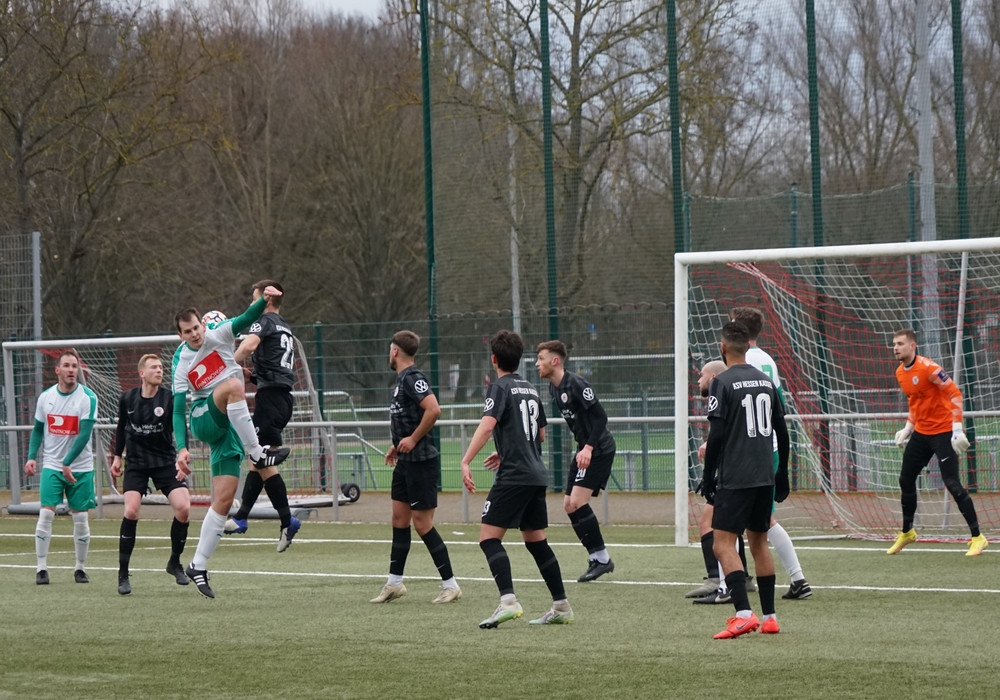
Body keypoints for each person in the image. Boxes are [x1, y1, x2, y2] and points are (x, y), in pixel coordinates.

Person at [172, 285, 291, 598]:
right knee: (233, 386)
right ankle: (258, 453)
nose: (194, 334)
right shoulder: (181, 361)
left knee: (224, 500)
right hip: (203, 417)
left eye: (196, 328)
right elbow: (177, 410)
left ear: (203, 325)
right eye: (187, 331)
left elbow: (246, 317)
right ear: (180, 335)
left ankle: (198, 565)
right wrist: (182, 448)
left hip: (226, 429)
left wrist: (264, 300)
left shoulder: (220, 333)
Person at [461, 330, 573, 628]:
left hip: (514, 476)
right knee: (536, 541)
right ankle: (561, 606)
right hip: (536, 474)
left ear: (494, 359)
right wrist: (508, 449)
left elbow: (487, 426)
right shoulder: (531, 389)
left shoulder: (498, 387)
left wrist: (466, 460)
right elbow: (540, 435)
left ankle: (508, 602)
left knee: (488, 539)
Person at [701, 321, 790, 639]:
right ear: (747, 347)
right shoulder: (766, 381)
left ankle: (742, 614)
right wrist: (782, 473)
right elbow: (782, 430)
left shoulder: (722, 382)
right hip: (764, 473)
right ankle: (770, 617)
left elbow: (717, 434)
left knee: (722, 543)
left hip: (736, 476)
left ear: (723, 348)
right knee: (759, 544)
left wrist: (708, 476)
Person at [370, 330, 461, 604]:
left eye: (390, 350)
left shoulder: (412, 378)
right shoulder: (400, 380)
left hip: (421, 463)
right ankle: (394, 583)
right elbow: (408, 417)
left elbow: (434, 409)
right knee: (399, 520)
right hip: (405, 462)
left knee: (422, 524)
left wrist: (412, 439)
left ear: (395, 351)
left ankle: (451, 585)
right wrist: (397, 444)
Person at [730, 306, 812, 600]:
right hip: (769, 446)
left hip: (751, 450)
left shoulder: (741, 360)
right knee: (755, 521)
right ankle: (791, 580)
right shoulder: (767, 359)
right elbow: (779, 406)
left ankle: (733, 583)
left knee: (745, 521)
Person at [888, 329, 987, 556]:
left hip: (943, 432)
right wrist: (908, 428)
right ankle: (907, 532)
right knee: (905, 479)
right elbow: (915, 402)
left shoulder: (929, 368)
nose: (895, 348)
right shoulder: (900, 373)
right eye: (894, 344)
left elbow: (955, 394)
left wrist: (957, 428)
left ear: (912, 346)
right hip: (921, 433)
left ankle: (978, 537)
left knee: (952, 483)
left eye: (900, 344)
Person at [224, 280, 301, 552]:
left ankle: (285, 520)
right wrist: (253, 376)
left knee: (261, 460)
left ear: (266, 301)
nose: (251, 305)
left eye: (255, 299)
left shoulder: (263, 322)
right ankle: (243, 517)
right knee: (258, 461)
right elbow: (276, 365)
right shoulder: (284, 326)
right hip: (281, 397)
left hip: (270, 400)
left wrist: (227, 364)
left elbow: (247, 348)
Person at [535, 340, 616, 582]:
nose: (537, 363)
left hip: (599, 449)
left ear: (555, 361)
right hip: (584, 449)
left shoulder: (576, 384)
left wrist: (589, 448)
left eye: (541, 358)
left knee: (578, 502)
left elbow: (601, 417)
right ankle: (596, 557)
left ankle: (603, 559)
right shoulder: (554, 389)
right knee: (569, 505)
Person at [110, 354, 191, 595]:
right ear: (142, 373)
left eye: (161, 367)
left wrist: (182, 455)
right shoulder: (127, 398)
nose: (159, 370)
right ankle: (123, 574)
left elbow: (180, 427)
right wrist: (117, 456)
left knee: (184, 508)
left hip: (164, 461)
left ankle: (174, 562)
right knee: (131, 510)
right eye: (154, 367)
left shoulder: (169, 398)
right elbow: (121, 428)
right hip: (136, 463)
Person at [23, 351, 99, 585]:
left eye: (74, 366)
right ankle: (41, 568)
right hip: (53, 466)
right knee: (46, 513)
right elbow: (38, 429)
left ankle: (80, 569)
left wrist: (68, 462)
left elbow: (84, 434)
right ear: (57, 370)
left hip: (80, 467)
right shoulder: (46, 398)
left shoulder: (88, 397)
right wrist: (31, 457)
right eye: (66, 365)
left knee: (81, 518)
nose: (71, 370)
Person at [687, 359, 753, 604]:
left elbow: (724, 432)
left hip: (736, 472)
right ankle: (742, 578)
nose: (698, 380)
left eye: (702, 375)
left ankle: (720, 582)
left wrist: (709, 476)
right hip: (753, 468)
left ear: (714, 377)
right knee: (748, 528)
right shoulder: (744, 387)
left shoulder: (722, 388)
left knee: (712, 524)